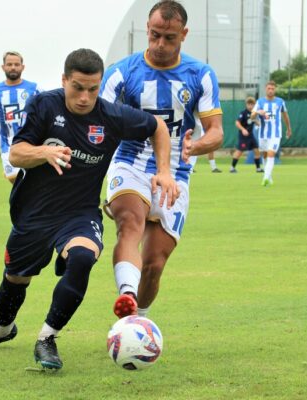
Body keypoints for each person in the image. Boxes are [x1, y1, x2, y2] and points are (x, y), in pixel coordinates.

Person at [0, 48, 178, 371]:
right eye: (77, 87)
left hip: (80, 213)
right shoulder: (44, 105)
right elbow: (17, 154)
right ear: (64, 80)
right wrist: (44, 153)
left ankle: (47, 338)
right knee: (15, 280)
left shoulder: (111, 116)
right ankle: (3, 330)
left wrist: (163, 170)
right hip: (34, 213)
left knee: (82, 257)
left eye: (93, 89)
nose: (85, 96)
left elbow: (157, 128)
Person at [100, 0, 224, 319]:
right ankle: (126, 295)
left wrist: (194, 147)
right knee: (129, 223)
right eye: (154, 35)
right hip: (130, 164)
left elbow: (215, 132)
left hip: (177, 175)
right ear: (147, 29)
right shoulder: (121, 74)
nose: (160, 44)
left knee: (154, 262)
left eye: (169, 38)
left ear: (184, 34)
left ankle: (136, 322)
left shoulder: (201, 75)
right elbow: (95, 126)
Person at [0, 51, 43, 183]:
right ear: (3, 67)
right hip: (6, 142)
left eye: (16, 64)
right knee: (14, 179)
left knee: (34, 177)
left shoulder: (34, 88)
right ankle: (27, 202)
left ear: (22, 67)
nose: (13, 67)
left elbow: (47, 107)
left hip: (31, 138)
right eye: (9, 64)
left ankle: (32, 202)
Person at [250, 81, 292, 186]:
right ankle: (269, 177)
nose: (270, 90)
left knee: (271, 153)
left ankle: (265, 178)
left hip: (276, 134)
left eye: (272, 89)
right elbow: (252, 117)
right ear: (266, 89)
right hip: (263, 134)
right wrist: (258, 112)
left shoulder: (280, 102)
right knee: (264, 155)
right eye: (269, 88)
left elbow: (285, 115)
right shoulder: (260, 102)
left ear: (275, 89)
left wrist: (288, 128)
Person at [230, 97, 263, 173]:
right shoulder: (243, 113)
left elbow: (255, 121)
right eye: (249, 104)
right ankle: (232, 168)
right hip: (243, 136)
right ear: (246, 105)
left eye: (252, 104)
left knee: (256, 150)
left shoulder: (254, 113)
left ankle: (258, 168)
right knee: (240, 151)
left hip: (250, 136)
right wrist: (243, 129)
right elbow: (237, 123)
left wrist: (258, 123)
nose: (250, 106)